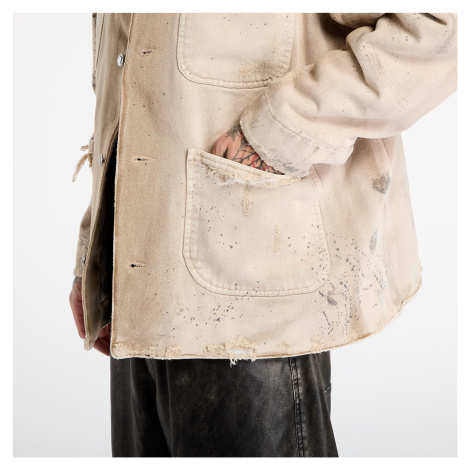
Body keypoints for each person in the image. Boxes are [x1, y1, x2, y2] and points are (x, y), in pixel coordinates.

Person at [69, 13, 457, 457]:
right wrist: (95, 251)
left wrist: (280, 130)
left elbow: (439, 28)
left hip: (251, 298)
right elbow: (129, 73)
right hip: (136, 286)